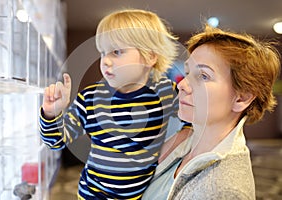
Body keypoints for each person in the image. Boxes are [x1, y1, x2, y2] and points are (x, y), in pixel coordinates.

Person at [39, 9, 191, 200]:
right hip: (92, 195)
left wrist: (184, 134)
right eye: (103, 53)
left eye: (117, 52)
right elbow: (55, 141)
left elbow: (194, 115)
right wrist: (51, 113)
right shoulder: (90, 99)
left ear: (150, 57)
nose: (106, 61)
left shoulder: (166, 92)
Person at [142, 25, 281, 199]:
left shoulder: (224, 190)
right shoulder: (184, 140)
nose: (182, 84)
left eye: (203, 76)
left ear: (241, 98)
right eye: (187, 73)